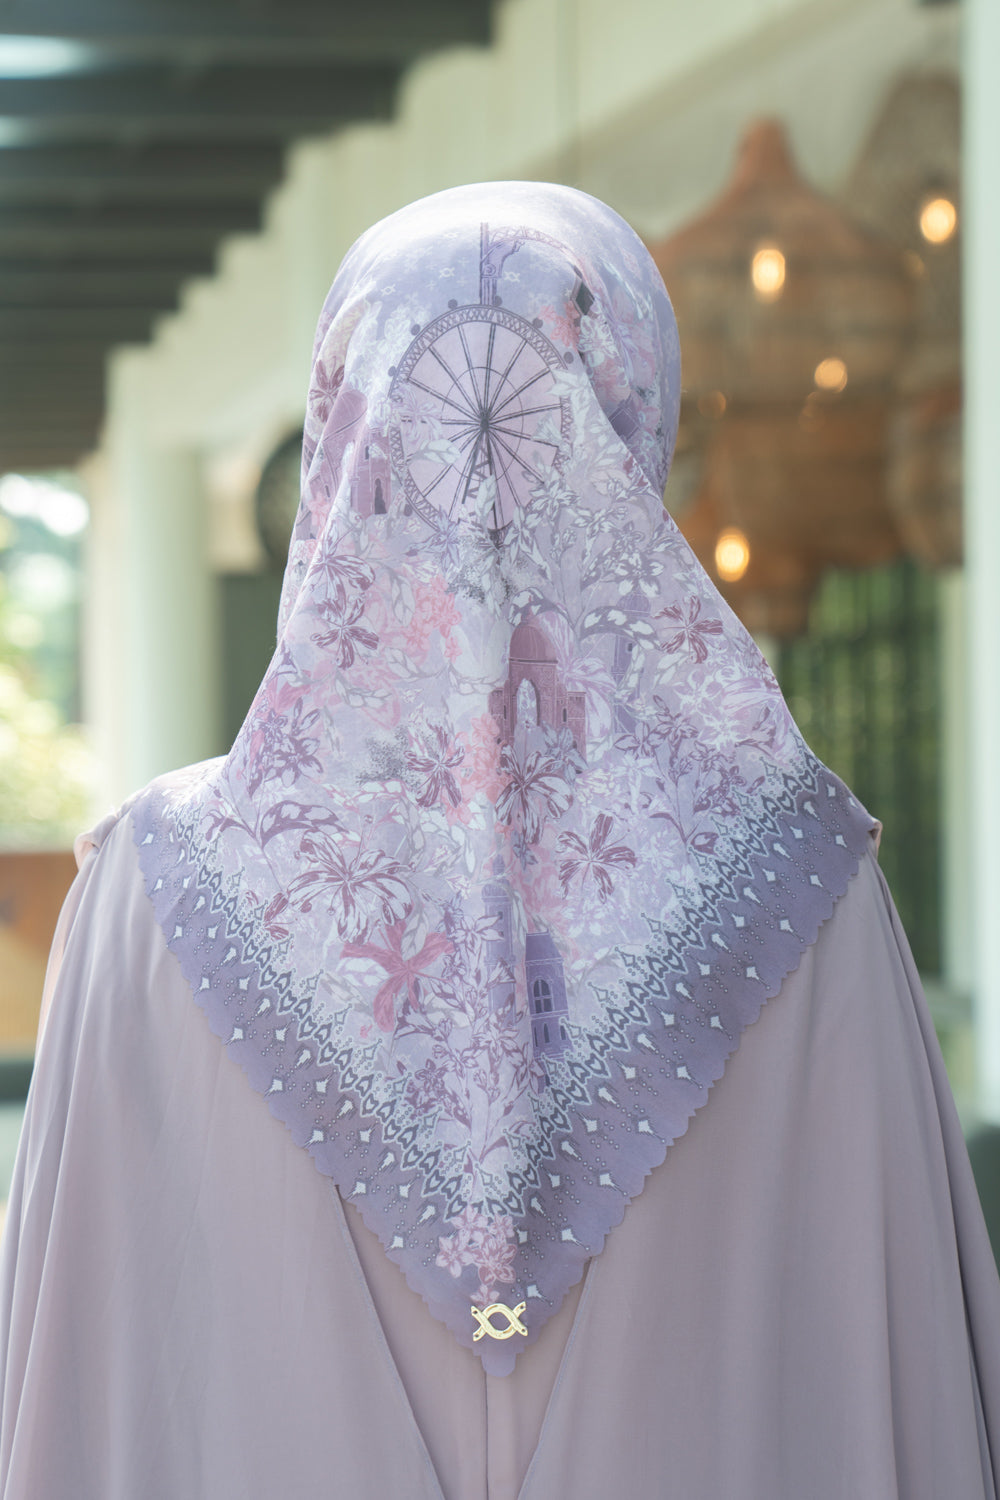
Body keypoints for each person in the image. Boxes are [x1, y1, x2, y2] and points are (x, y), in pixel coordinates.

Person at [2, 181, 999, 1500]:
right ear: (631, 425)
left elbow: (75, 1404)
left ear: (344, 432)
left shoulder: (148, 897)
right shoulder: (803, 884)